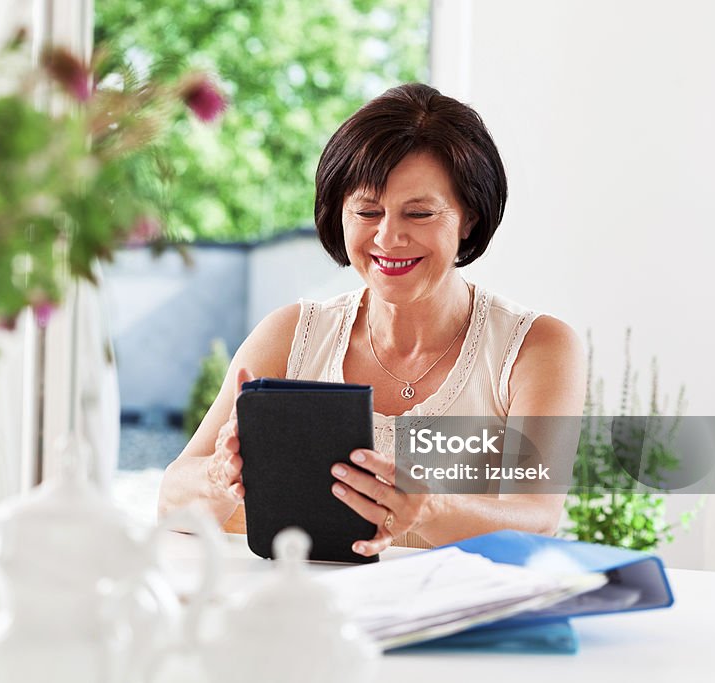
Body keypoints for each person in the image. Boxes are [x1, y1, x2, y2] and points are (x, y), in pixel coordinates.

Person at [157, 83, 585, 557]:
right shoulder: (291, 335)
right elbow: (172, 499)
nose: (388, 237)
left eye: (419, 213)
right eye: (367, 211)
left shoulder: (536, 348)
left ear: (469, 219)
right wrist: (219, 475)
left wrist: (428, 510)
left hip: (458, 602)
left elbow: (537, 518)